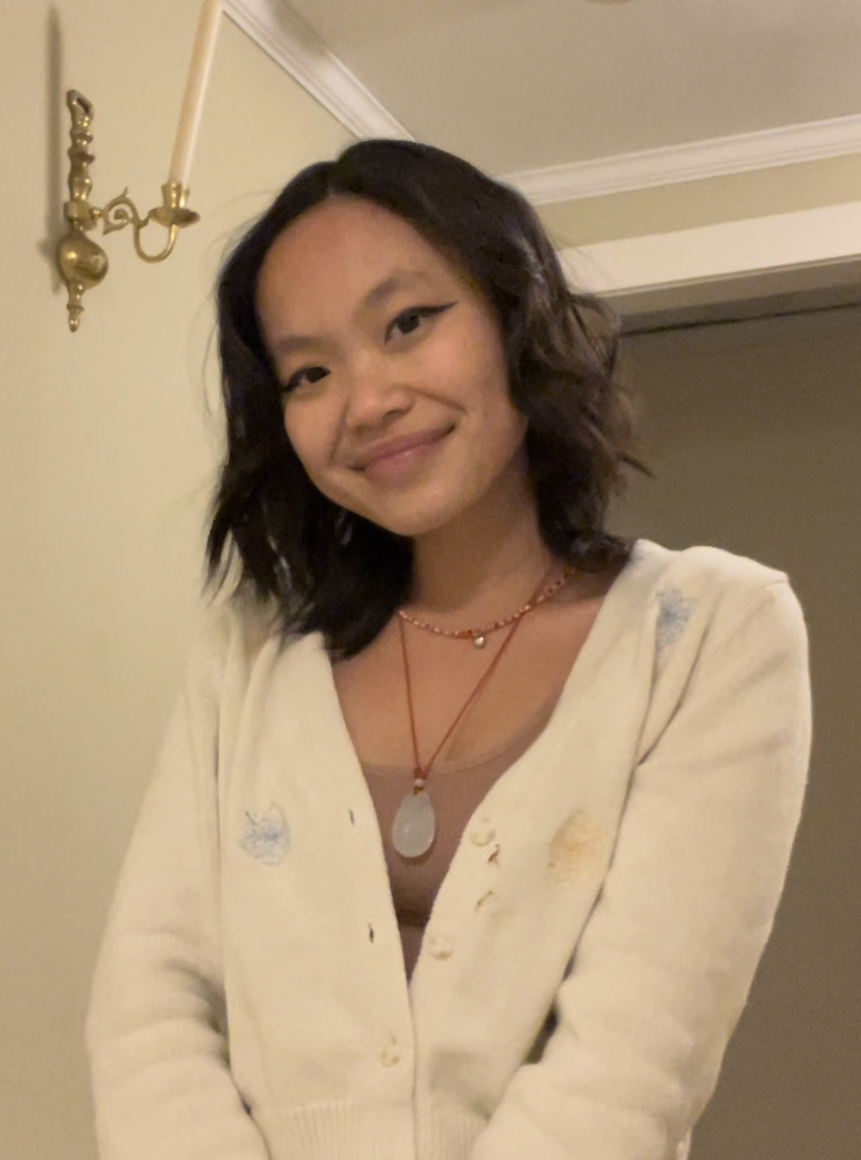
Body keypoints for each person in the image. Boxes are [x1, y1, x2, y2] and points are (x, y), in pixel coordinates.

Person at [86, 140, 811, 1160]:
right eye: (309, 371)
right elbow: (149, 1004)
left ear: (518, 317)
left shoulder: (711, 631)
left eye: (409, 322)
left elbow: (637, 1056)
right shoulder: (248, 659)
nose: (367, 398)